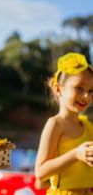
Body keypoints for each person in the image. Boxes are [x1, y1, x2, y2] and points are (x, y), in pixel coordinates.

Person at [35, 52, 93, 195]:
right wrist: (76, 154)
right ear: (58, 89)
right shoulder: (55, 124)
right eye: (79, 88)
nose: (86, 96)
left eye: (91, 90)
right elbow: (40, 172)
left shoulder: (87, 125)